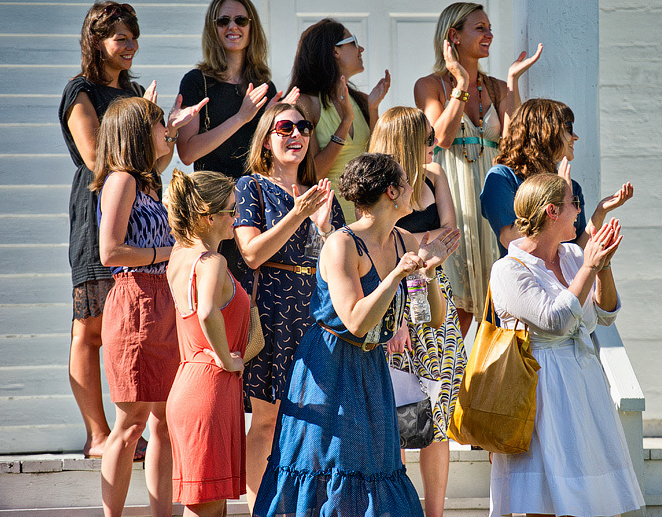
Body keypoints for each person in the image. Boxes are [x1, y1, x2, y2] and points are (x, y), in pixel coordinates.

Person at [253, 153, 460, 517]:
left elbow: (431, 318)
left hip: (371, 368)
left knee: (372, 466)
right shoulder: (342, 244)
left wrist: (428, 270)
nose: (414, 188)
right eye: (407, 182)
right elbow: (355, 321)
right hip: (328, 365)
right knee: (330, 464)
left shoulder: (407, 242)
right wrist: (397, 274)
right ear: (392, 192)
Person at [489, 173, 644, 517]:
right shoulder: (508, 269)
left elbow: (605, 315)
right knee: (542, 500)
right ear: (551, 212)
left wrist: (602, 267)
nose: (579, 211)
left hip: (583, 385)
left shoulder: (573, 255)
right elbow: (554, 321)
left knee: (588, 500)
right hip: (539, 393)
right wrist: (589, 266)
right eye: (574, 203)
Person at [93, 96, 202, 517]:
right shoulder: (120, 180)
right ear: (138, 133)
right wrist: (166, 252)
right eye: (159, 126)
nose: (168, 134)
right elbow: (110, 251)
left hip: (163, 301)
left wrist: (172, 123)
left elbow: (165, 151)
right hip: (135, 301)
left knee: (163, 421)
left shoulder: (149, 182)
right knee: (130, 423)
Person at [233, 103, 344, 511]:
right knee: (266, 418)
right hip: (273, 308)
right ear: (267, 138)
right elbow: (251, 254)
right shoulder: (252, 187)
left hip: (314, 308)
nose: (296, 134)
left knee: (312, 416)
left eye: (303, 126)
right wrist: (298, 214)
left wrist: (324, 228)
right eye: (284, 127)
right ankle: (258, 508)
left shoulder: (321, 192)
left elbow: (340, 255)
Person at [58, 0, 154, 461]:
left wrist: (166, 133)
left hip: (136, 215)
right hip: (96, 213)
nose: (131, 45)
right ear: (97, 41)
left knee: (126, 328)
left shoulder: (132, 91)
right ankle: (97, 434)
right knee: (89, 329)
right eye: (121, 37)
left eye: (134, 36)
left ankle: (126, 431)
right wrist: (138, 127)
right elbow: (97, 157)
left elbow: (152, 163)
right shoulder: (81, 92)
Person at [414, 1, 542, 335]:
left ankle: (487, 379)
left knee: (495, 293)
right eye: (480, 28)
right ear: (453, 36)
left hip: (489, 193)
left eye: (489, 28)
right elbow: (441, 137)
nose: (490, 35)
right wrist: (459, 82)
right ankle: (448, 380)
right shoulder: (429, 85)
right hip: (452, 193)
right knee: (456, 301)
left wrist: (512, 82)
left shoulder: (497, 86)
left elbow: (512, 141)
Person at [368, 107, 466, 517]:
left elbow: (453, 231)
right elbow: (378, 243)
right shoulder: (378, 184)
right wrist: (425, 249)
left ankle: (435, 513)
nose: (434, 142)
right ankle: (400, 509)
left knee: (438, 414)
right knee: (403, 413)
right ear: (407, 138)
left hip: (434, 292)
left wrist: (415, 246)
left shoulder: (435, 175)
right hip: (394, 295)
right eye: (427, 135)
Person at [175, 0, 297, 279]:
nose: (233, 27)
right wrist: (241, 118)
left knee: (252, 297)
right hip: (213, 207)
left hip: (254, 204)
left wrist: (283, 119)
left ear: (251, 27)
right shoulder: (197, 82)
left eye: (241, 19)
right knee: (216, 293)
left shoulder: (262, 83)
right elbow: (188, 152)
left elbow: (268, 151)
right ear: (212, 28)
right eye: (223, 21)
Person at [165, 170, 249, 517]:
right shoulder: (212, 261)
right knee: (206, 509)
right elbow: (207, 313)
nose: (236, 218)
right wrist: (226, 358)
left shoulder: (178, 256)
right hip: (209, 391)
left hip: (191, 384)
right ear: (209, 217)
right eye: (232, 210)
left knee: (208, 506)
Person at [480, 98, 633, 257]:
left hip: (564, 280)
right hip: (526, 277)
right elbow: (511, 240)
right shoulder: (502, 177)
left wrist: (600, 213)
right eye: (568, 128)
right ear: (544, 131)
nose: (575, 137)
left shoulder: (572, 187)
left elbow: (576, 252)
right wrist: (558, 196)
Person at [290, 18, 391, 223]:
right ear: (335, 51)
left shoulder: (361, 101)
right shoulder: (307, 104)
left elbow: (378, 158)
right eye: (353, 41)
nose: (360, 48)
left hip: (367, 219)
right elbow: (313, 174)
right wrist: (345, 123)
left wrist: (372, 108)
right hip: (329, 220)